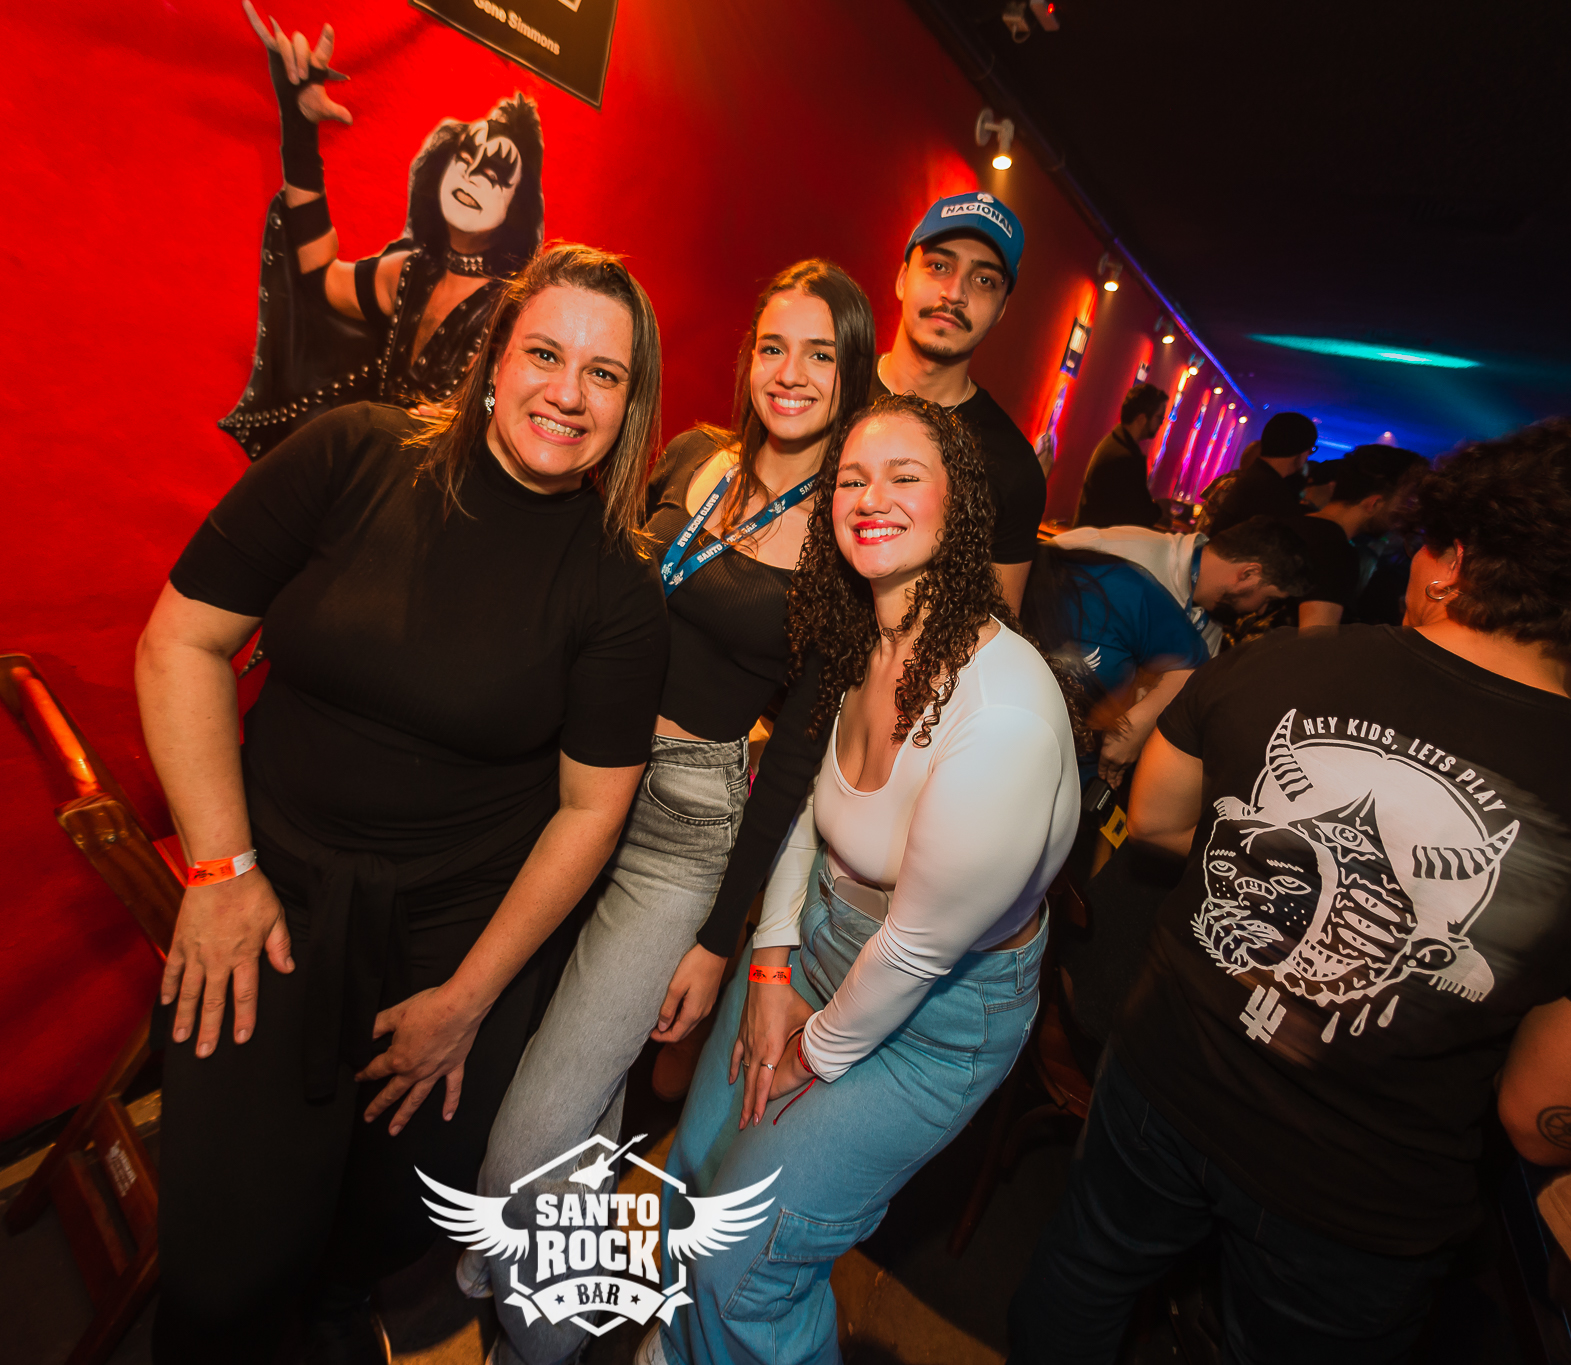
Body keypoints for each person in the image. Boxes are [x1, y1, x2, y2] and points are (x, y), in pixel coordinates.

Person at [136, 244, 668, 1364]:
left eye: (604, 373)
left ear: (630, 405)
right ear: (493, 359)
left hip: (450, 941)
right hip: (266, 903)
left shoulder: (616, 586)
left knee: (392, 1215)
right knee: (221, 1271)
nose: (567, 393)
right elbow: (181, 642)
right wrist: (221, 870)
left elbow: (590, 810)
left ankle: (336, 1310)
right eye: (544, 353)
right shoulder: (351, 455)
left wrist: (469, 999)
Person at [1009, 419, 1571, 1364]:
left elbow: (1159, 818)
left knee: (1086, 1274)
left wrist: (1273, 874)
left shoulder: (1281, 663)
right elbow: (1539, 1119)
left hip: (1165, 1076)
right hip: (1360, 1192)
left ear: (1454, 561)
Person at [468, 261, 876, 1365]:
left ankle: (520, 1327)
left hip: (681, 832)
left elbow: (793, 765)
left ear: (852, 374)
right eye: (772, 346)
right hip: (569, 780)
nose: (789, 373)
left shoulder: (843, 538)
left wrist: (716, 938)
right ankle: (541, 1329)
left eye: (819, 354)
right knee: (567, 1097)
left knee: (534, 1135)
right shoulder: (693, 456)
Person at [644, 394, 1080, 1365]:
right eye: (849, 479)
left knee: (743, 1262)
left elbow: (918, 948)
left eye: (902, 476)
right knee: (692, 1183)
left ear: (958, 506)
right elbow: (807, 810)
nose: (869, 497)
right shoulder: (860, 640)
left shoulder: (1001, 715)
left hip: (935, 1016)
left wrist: (813, 1051)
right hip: (816, 933)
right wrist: (768, 963)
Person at [218, 9, 546, 457]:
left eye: (494, 175)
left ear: (516, 207)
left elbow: (519, 411)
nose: (471, 176)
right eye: (464, 159)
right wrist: (299, 127)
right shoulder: (409, 273)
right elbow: (317, 276)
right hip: (365, 472)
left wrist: (474, 416)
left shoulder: (513, 311)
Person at [870, 192, 1046, 610]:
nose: (954, 293)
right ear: (902, 278)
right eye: (938, 266)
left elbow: (996, 631)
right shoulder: (827, 392)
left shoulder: (1013, 468)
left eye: (984, 280)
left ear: (1001, 309)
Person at [1018, 545, 1208, 791]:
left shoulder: (1112, 585)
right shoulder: (971, 592)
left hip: (1086, 778)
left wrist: (1136, 726)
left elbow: (1192, 666)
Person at [1051, 515, 1308, 654]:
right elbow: (1034, 572)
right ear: (1248, 574)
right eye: (1268, 599)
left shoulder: (1211, 626)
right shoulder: (1123, 553)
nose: (1261, 611)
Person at [1291, 444, 1428, 629]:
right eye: (1406, 500)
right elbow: (1315, 639)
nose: (1407, 512)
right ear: (1375, 503)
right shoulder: (1335, 552)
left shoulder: (1292, 525)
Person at [1073, 383, 1169, 530]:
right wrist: (1160, 509)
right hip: (1096, 541)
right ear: (1142, 419)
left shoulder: (1114, 442)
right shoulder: (1125, 457)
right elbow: (1138, 515)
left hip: (1088, 537)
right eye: (1159, 418)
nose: (1161, 423)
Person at [1203, 411, 1316, 534]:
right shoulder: (1273, 493)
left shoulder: (1252, 478)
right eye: (1310, 449)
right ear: (1300, 449)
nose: (1307, 457)